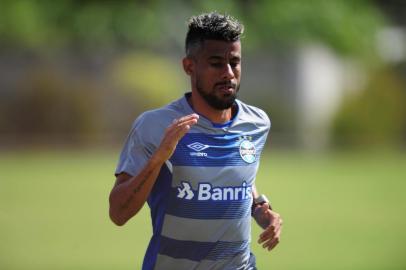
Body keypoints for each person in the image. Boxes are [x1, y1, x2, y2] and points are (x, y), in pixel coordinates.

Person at [109, 12, 283, 270]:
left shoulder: (257, 123)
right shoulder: (155, 126)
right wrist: (159, 158)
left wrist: (260, 208)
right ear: (189, 66)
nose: (228, 73)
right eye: (215, 63)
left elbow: (238, 176)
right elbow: (118, 213)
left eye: (234, 62)